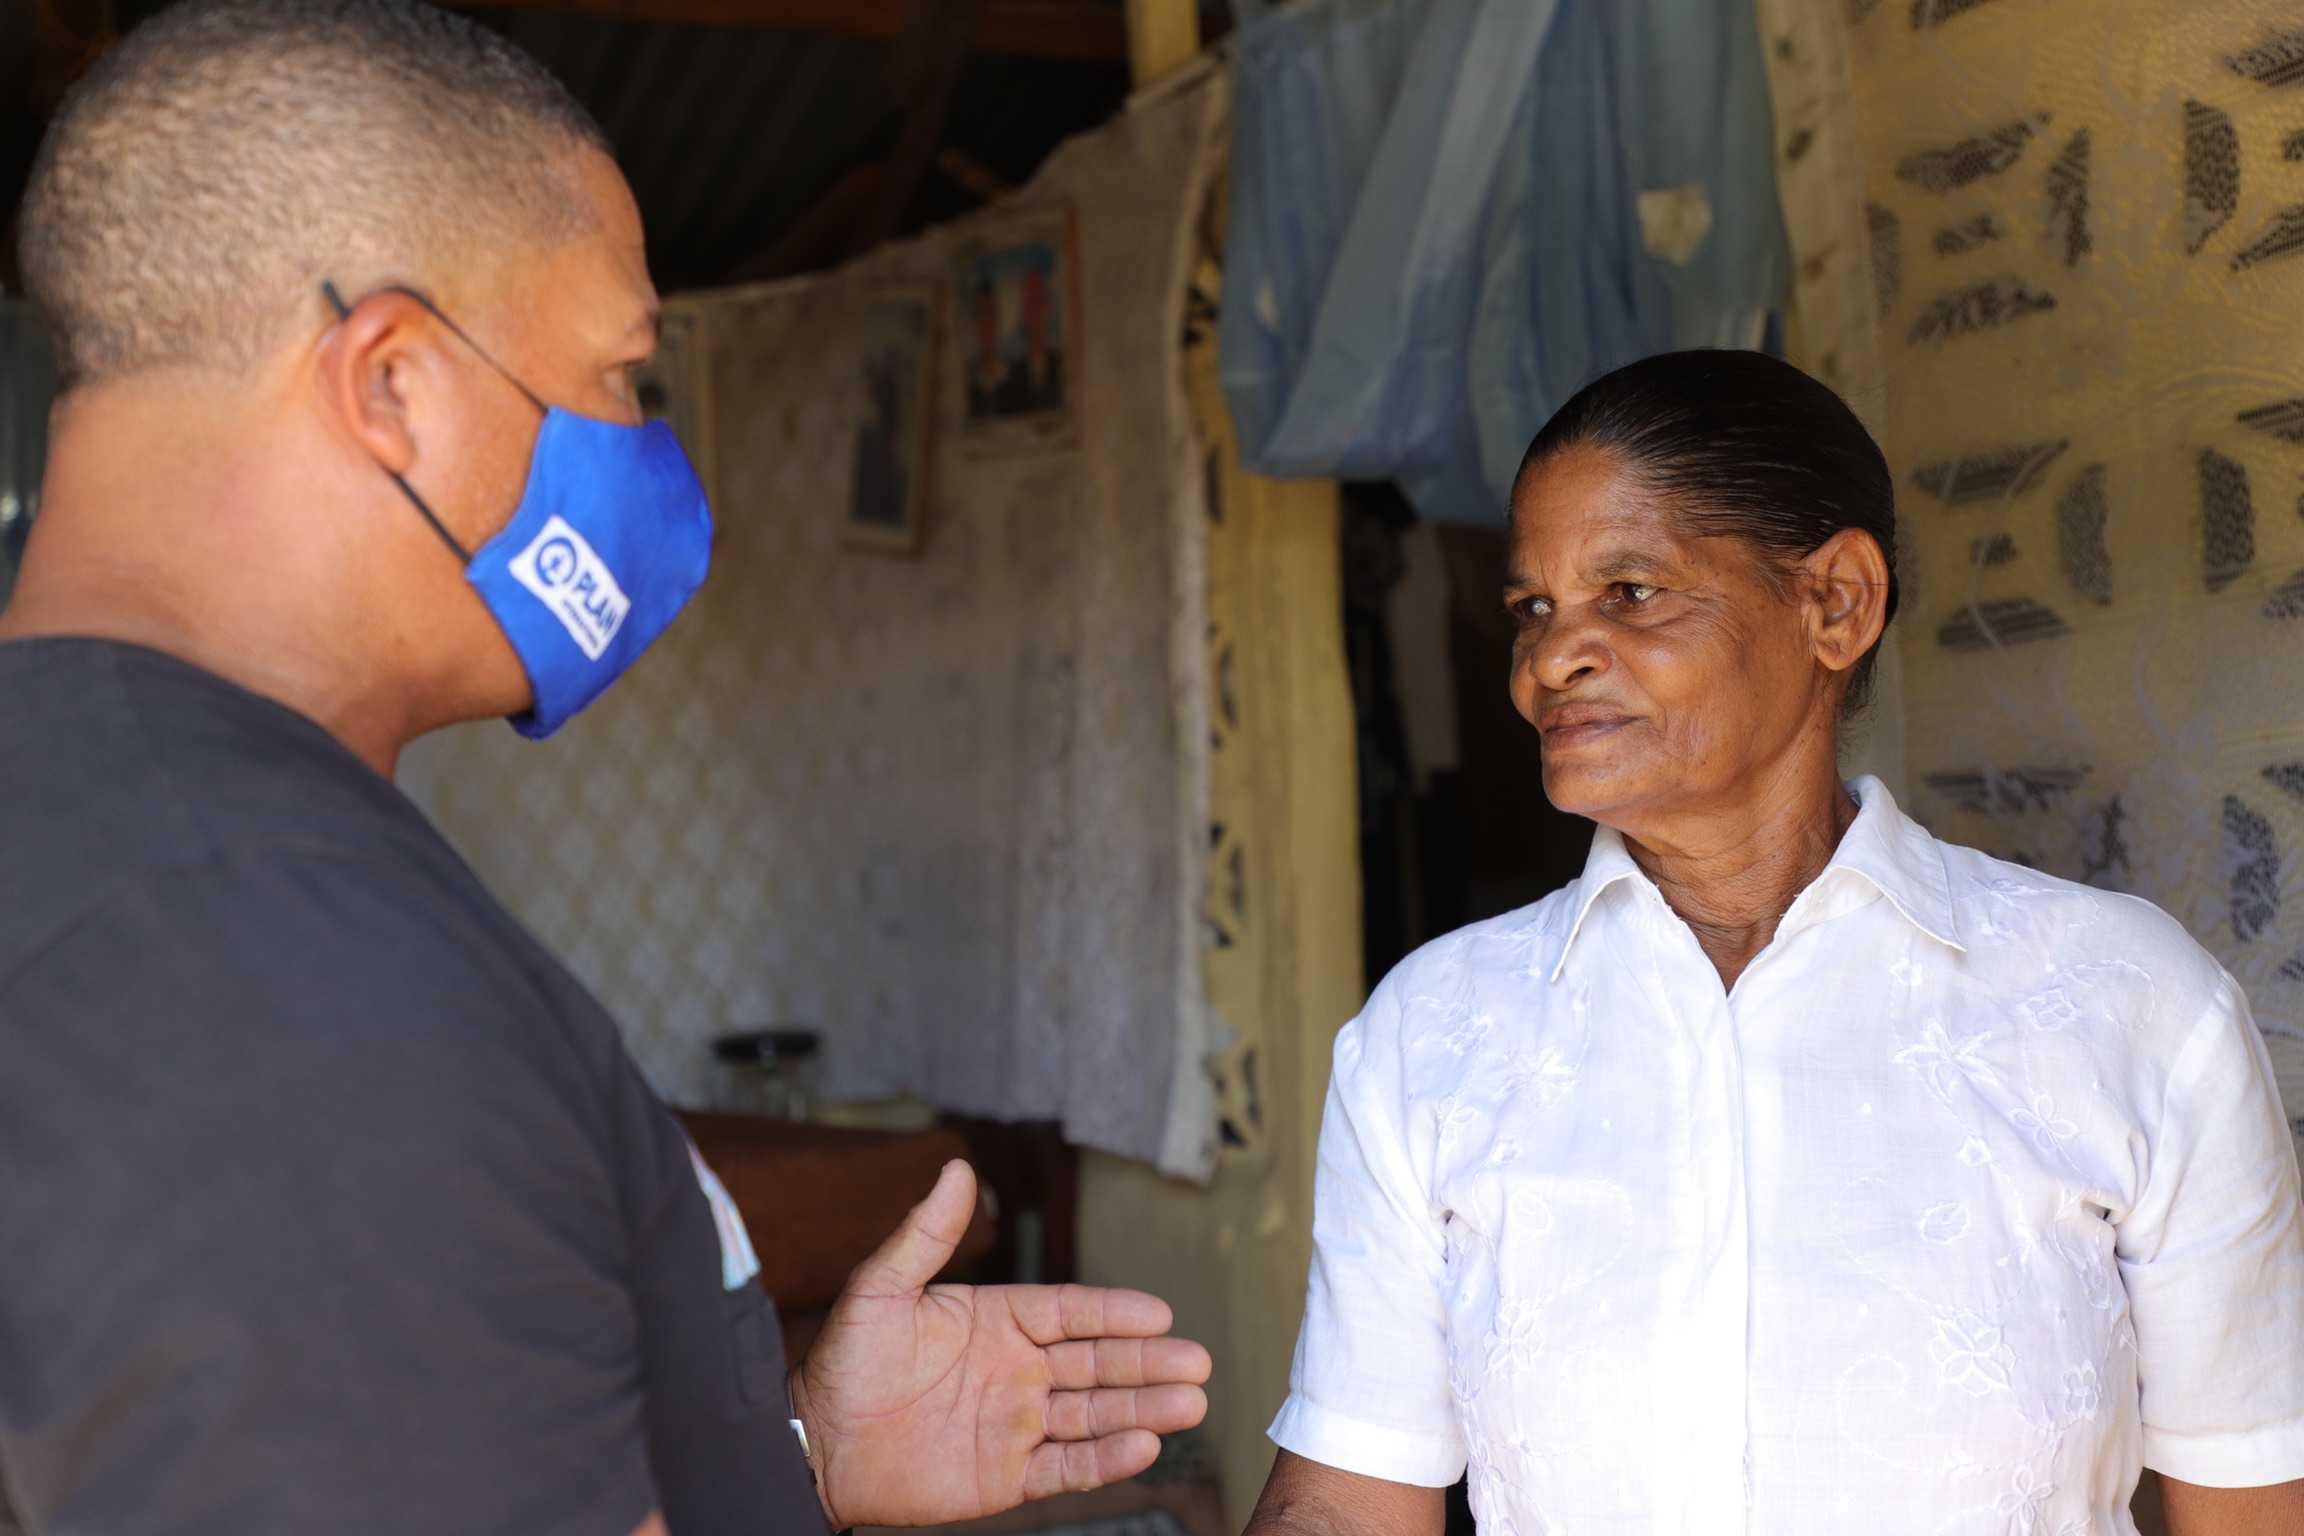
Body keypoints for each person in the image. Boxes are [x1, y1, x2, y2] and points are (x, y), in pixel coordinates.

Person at [0, 2, 1209, 1532]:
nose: (648, 455)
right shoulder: (272, 968)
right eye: (624, 373)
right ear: (392, 384)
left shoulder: (125, 832)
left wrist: (789, 1459)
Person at [1244, 350, 2304, 1535]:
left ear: (1835, 603)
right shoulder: (1433, 1033)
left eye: (1630, 591)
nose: (1549, 659)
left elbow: (2256, 1503)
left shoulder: (2131, 1006)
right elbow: (1351, 1492)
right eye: (1532, 609)